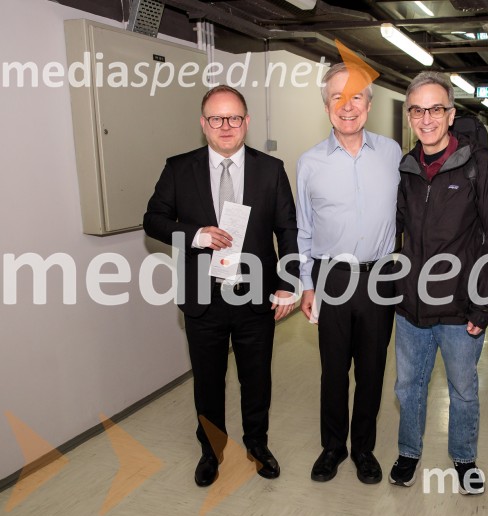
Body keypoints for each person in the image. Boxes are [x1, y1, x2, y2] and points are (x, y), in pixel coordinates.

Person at [143, 85, 299, 487]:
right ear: (203, 123)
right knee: (208, 381)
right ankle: (210, 451)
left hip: (255, 296)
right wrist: (195, 235)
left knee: (256, 378)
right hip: (203, 296)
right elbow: (154, 219)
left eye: (234, 118)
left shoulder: (271, 169)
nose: (225, 126)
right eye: (216, 118)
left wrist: (288, 283)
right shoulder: (180, 168)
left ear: (246, 122)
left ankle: (257, 444)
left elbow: (288, 230)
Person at [389, 72, 488, 494]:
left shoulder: (481, 165)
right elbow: (395, 233)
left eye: (435, 109)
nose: (427, 118)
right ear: (409, 116)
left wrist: (484, 305)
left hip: (461, 308)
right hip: (411, 307)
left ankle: (464, 459)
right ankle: (408, 452)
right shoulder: (405, 167)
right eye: (417, 110)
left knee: (463, 389)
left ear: (451, 114)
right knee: (408, 385)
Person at [296, 63, 402, 484]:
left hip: (380, 277)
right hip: (331, 278)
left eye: (356, 96)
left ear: (369, 105)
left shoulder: (392, 154)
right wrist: (306, 284)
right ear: (326, 107)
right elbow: (304, 228)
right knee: (334, 370)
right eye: (337, 97)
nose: (347, 105)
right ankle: (333, 448)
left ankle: (364, 449)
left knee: (372, 370)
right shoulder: (308, 163)